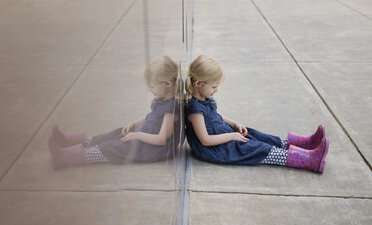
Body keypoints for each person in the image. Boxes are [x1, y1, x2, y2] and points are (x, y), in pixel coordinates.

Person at [185, 55, 329, 173]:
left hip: (225, 136)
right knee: (259, 149)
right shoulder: (195, 110)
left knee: (256, 135)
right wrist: (232, 136)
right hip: (218, 149)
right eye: (214, 87)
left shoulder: (204, 98)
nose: (216, 90)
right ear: (199, 83)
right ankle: (310, 160)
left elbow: (214, 116)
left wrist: (234, 124)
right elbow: (205, 140)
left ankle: (304, 144)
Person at [48, 56, 180, 169]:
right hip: (146, 135)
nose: (151, 90)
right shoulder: (164, 98)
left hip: (152, 149)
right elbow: (152, 116)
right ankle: (70, 142)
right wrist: (133, 124)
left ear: (167, 83)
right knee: (116, 134)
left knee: (112, 148)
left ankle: (65, 157)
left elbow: (162, 139)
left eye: (152, 86)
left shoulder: (171, 109)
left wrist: (137, 135)